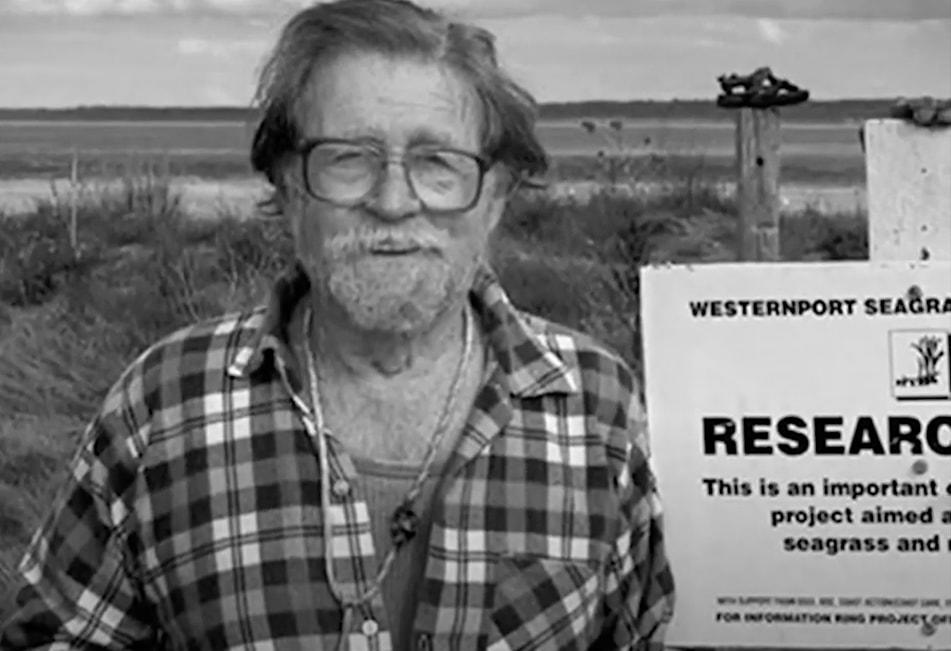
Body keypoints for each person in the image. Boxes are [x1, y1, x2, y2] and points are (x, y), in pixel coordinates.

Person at [0, 0, 674, 648]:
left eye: (437, 163)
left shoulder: (597, 406)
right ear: (288, 190)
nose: (391, 200)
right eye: (348, 158)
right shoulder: (163, 403)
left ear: (494, 196)